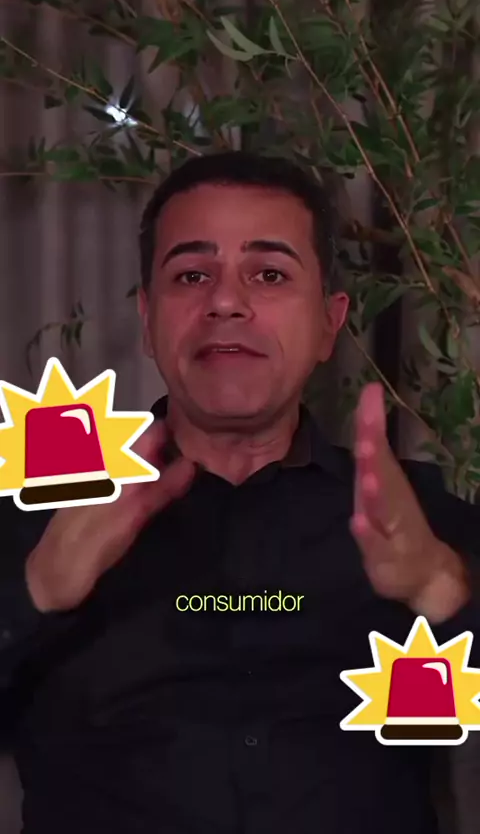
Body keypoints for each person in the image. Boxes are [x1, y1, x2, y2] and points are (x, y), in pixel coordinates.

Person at [1, 151, 479, 834]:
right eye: (192, 275)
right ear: (147, 318)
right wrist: (34, 592)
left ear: (329, 322)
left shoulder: (418, 523)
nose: (225, 301)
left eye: (270, 274)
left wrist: (442, 589)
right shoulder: (40, 519)